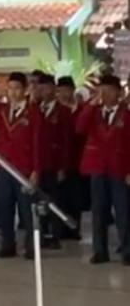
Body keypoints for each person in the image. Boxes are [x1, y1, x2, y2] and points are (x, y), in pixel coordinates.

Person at [76, 74, 129, 265]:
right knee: (98, 211)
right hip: (98, 168)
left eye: (110, 91)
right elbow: (80, 127)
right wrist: (92, 104)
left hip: (119, 170)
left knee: (123, 211)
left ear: (119, 93)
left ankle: (127, 250)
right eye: (102, 91)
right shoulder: (94, 113)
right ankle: (100, 251)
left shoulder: (126, 114)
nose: (106, 95)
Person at [0, 71, 41, 261]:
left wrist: (36, 170)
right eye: (10, 88)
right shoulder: (1, 110)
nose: (13, 92)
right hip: (5, 165)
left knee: (27, 209)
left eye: (17, 88)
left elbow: (37, 143)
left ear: (25, 90)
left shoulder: (33, 112)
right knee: (5, 206)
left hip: (24, 168)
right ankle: (7, 244)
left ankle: (31, 246)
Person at [32, 72, 72, 248]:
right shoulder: (34, 109)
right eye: (40, 88)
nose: (42, 91)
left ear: (53, 89)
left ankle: (55, 235)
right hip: (37, 164)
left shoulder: (63, 111)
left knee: (54, 201)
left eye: (46, 88)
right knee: (38, 201)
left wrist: (63, 166)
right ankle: (40, 234)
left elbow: (67, 141)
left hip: (54, 163)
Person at [56, 75, 84, 240]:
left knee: (75, 198)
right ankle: (60, 229)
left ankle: (74, 229)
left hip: (77, 160)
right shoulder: (56, 110)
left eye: (66, 90)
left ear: (73, 90)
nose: (63, 94)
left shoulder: (81, 109)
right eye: (60, 91)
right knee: (60, 197)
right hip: (59, 160)